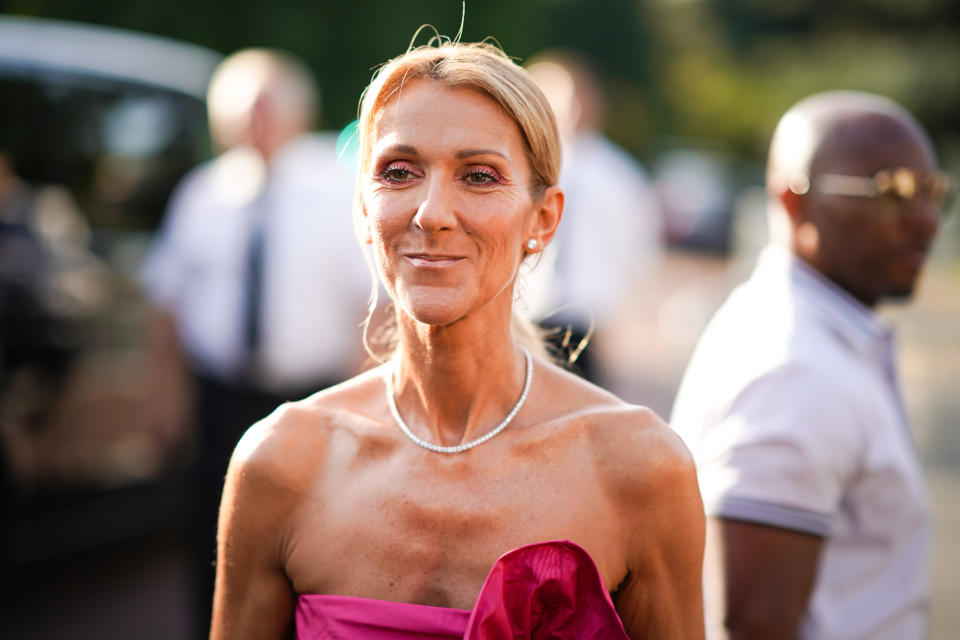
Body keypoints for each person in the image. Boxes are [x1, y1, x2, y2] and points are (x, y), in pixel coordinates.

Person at [211, 39, 705, 639]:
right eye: (399, 171)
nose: (431, 212)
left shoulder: (639, 469)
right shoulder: (282, 461)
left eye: (478, 176)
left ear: (543, 219)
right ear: (364, 211)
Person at [670, 91, 949, 639]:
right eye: (895, 191)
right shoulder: (792, 367)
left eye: (932, 194)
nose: (926, 222)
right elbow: (750, 626)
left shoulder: (814, 335)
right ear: (794, 201)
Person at [140, 49, 369, 636]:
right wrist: (164, 400)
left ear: (298, 113)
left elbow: (370, 305)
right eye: (243, 109)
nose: (255, 122)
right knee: (216, 542)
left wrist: (361, 405)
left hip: (313, 399)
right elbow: (168, 305)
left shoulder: (338, 194)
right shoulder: (201, 195)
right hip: (221, 397)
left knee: (312, 544)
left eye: (268, 107)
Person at [522, 51, 662, 383]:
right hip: (527, 309)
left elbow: (637, 245)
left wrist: (617, 310)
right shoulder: (523, 164)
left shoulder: (617, 174)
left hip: (586, 316)